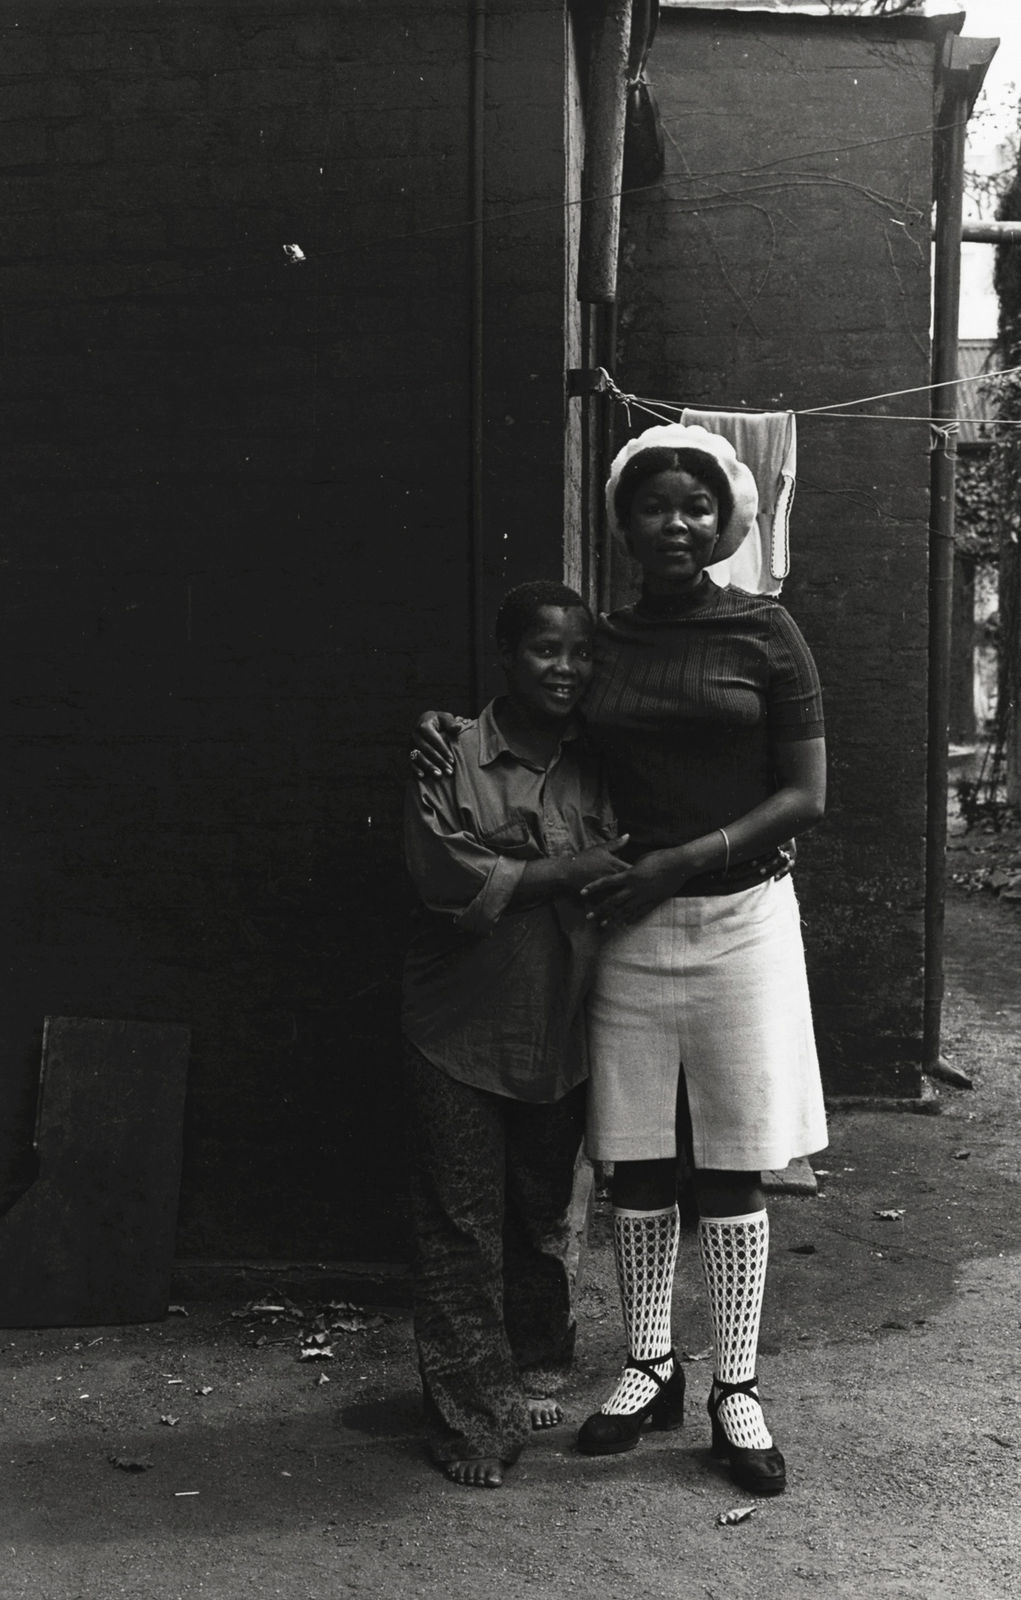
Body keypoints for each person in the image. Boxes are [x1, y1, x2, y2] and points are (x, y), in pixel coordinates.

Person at [414, 423, 828, 1497]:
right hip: (628, 928)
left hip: (737, 918)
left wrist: (689, 856)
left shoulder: (768, 633)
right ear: (625, 524)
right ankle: (651, 1365)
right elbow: (540, 719)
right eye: (655, 507)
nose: (677, 524)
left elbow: (806, 795)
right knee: (638, 1160)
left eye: (697, 506)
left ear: (727, 518)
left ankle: (736, 1387)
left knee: (730, 1160)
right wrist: (450, 735)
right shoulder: (604, 640)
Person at [402, 580, 629, 1489]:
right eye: (546, 650)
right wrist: (572, 867)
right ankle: (472, 1422)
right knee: (459, 1228)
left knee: (540, 1218)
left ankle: (533, 1368)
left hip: (563, 1024)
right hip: (456, 1028)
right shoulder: (449, 753)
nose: (566, 668)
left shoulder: (605, 757)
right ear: (507, 657)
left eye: (580, 652)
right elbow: (444, 874)